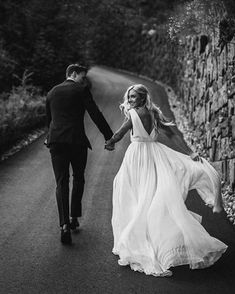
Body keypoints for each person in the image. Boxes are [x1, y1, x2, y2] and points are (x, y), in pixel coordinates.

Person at [105, 84, 227, 277]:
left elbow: (120, 133)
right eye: (129, 97)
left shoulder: (134, 115)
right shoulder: (154, 113)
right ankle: (155, 235)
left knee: (137, 194)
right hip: (155, 154)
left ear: (143, 97)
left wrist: (111, 142)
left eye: (134, 97)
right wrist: (189, 152)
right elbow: (172, 134)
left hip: (137, 157)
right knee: (152, 193)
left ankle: (143, 237)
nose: (130, 100)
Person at [46, 64, 113, 244]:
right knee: (78, 177)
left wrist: (49, 137)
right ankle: (74, 217)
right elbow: (95, 114)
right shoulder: (81, 89)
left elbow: (49, 120)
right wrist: (109, 136)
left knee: (61, 182)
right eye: (82, 77)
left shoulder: (52, 92)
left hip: (56, 142)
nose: (85, 80)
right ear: (73, 74)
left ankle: (64, 225)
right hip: (76, 141)